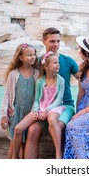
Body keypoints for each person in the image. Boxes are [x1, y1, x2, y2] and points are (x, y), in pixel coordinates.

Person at [24, 27, 79, 159]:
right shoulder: (36, 62)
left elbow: (84, 81)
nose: (55, 45)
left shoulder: (68, 61)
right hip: (44, 108)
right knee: (32, 130)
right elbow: (27, 83)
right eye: (52, 41)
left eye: (58, 41)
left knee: (57, 126)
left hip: (65, 106)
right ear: (44, 41)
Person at [12, 52, 65, 159]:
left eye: (58, 62)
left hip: (54, 108)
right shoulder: (40, 81)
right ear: (46, 66)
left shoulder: (60, 80)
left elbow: (59, 99)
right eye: (55, 63)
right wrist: (35, 111)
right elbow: (36, 99)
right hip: (40, 108)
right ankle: (14, 157)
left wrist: (47, 111)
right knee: (18, 128)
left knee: (52, 120)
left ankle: (58, 153)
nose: (58, 65)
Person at [0, 43, 39, 159]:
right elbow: (6, 95)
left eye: (34, 54)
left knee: (25, 144)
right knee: (14, 144)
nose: (33, 57)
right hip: (15, 112)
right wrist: (3, 115)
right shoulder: (13, 74)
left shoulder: (37, 74)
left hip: (29, 113)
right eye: (29, 55)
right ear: (21, 57)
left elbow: (38, 95)